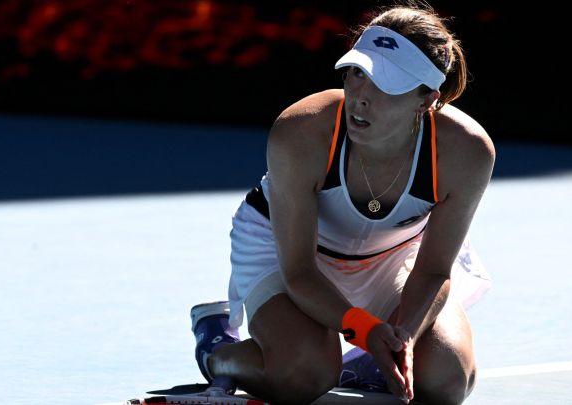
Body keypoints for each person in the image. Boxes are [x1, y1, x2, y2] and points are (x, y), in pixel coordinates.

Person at [191, 4, 495, 404]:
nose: (361, 97)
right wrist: (367, 330)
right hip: (288, 254)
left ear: (426, 99)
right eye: (357, 73)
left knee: (446, 378)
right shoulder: (301, 132)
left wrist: (400, 340)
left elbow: (435, 270)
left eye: (385, 85)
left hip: (393, 258)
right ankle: (218, 351)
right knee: (304, 374)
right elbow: (299, 272)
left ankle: (365, 362)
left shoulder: (467, 153)